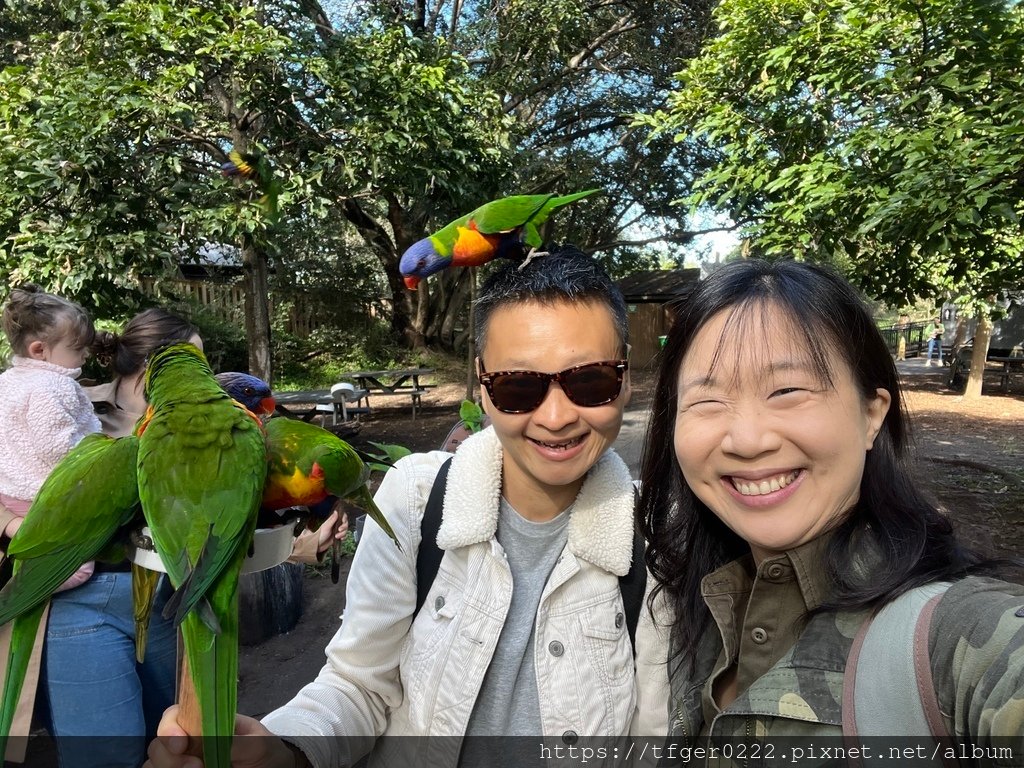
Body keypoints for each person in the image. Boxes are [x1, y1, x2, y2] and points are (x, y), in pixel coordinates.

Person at [147, 245, 640, 768]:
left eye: (592, 380)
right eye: (519, 385)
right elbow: (360, 684)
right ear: (482, 382)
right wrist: (285, 751)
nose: (557, 416)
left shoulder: (662, 536)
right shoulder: (416, 496)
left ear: (627, 378)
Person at [633, 260, 1024, 750]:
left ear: (871, 414)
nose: (748, 440)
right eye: (707, 401)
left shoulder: (957, 638)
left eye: (788, 391)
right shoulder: (686, 601)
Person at [0, 285, 103, 763]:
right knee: (73, 563)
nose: (81, 359)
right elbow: (56, 447)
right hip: (47, 496)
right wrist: (98, 453)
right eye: (77, 350)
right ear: (41, 350)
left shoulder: (8, 382)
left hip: (12, 492)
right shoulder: (53, 385)